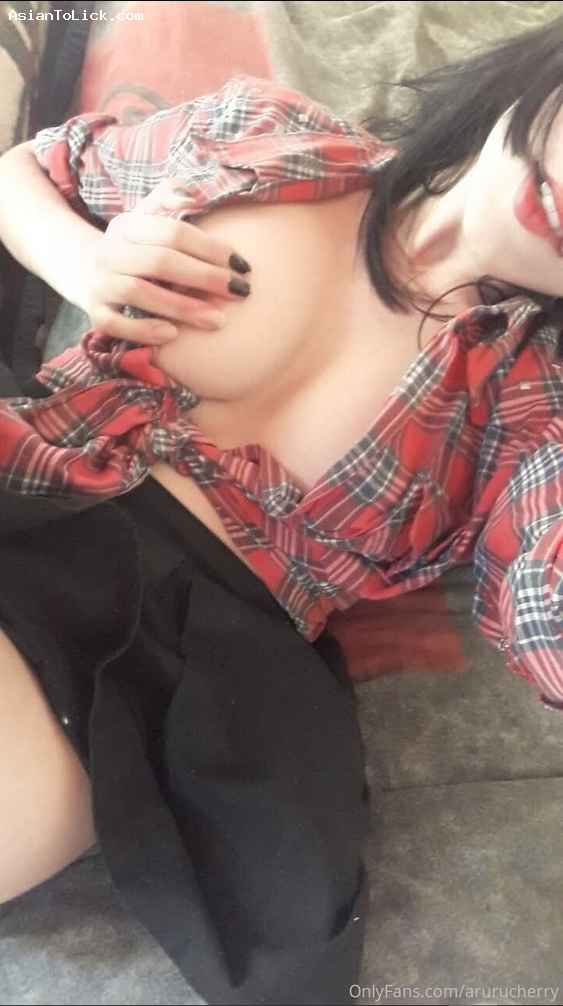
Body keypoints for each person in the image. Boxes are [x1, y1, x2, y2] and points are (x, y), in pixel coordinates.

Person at [0, 15, 562, 1006]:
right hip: (32, 461)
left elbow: (546, 613)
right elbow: (24, 173)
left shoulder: (526, 403)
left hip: (171, 651)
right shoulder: (266, 137)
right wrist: (83, 262)